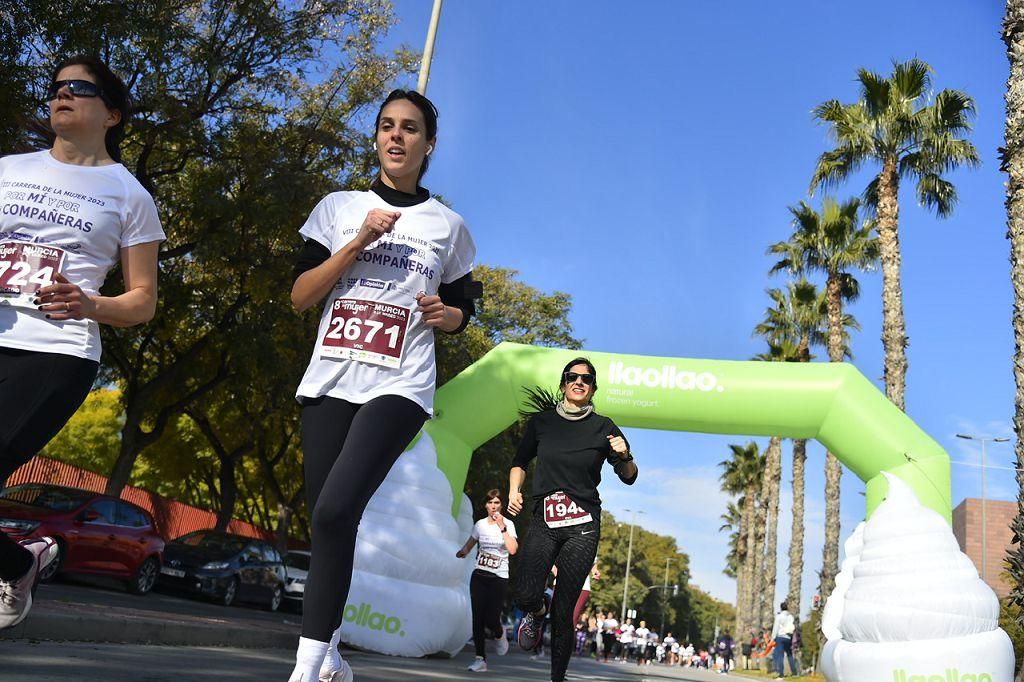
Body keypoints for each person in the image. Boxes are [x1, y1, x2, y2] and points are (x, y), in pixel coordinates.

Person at [288, 89, 478, 682]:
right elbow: (300, 296)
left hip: (401, 381)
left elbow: (463, 305)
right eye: (387, 127)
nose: (397, 137)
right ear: (376, 138)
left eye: (411, 129)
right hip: (330, 376)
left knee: (339, 507)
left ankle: (305, 667)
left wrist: (450, 317)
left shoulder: (447, 225)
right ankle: (332, 658)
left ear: (429, 145)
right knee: (327, 522)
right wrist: (358, 242)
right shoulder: (339, 207)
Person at [0, 54, 164, 630]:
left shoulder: (129, 195)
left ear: (112, 113)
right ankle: (19, 561)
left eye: (78, 88)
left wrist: (92, 305)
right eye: (56, 87)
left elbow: (142, 299)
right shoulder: (7, 168)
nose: (60, 95)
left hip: (57, 351)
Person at [507, 357, 638, 682]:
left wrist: (625, 455)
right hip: (545, 519)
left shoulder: (605, 426)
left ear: (593, 388)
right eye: (572, 376)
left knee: (565, 609)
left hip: (583, 523)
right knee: (524, 593)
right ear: (564, 383)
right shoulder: (542, 423)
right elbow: (520, 461)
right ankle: (537, 613)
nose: (579, 382)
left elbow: (629, 476)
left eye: (586, 378)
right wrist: (514, 491)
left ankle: (557, 678)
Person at [456, 489, 518, 672]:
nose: (493, 506)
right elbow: (469, 544)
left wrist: (502, 528)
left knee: (492, 619)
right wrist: (462, 552)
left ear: (502, 505)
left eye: (497, 503)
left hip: (499, 577)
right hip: (480, 576)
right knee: (478, 618)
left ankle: (499, 634)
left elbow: (513, 549)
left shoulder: (508, 524)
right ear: (485, 505)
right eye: (490, 502)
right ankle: (480, 659)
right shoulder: (480, 525)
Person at [770, 601, 798, 679]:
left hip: (780, 637)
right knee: (789, 655)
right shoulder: (790, 616)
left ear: (781, 608)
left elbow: (775, 628)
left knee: (780, 656)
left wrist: (772, 638)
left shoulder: (779, 617)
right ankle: (794, 672)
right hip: (788, 638)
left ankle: (781, 674)